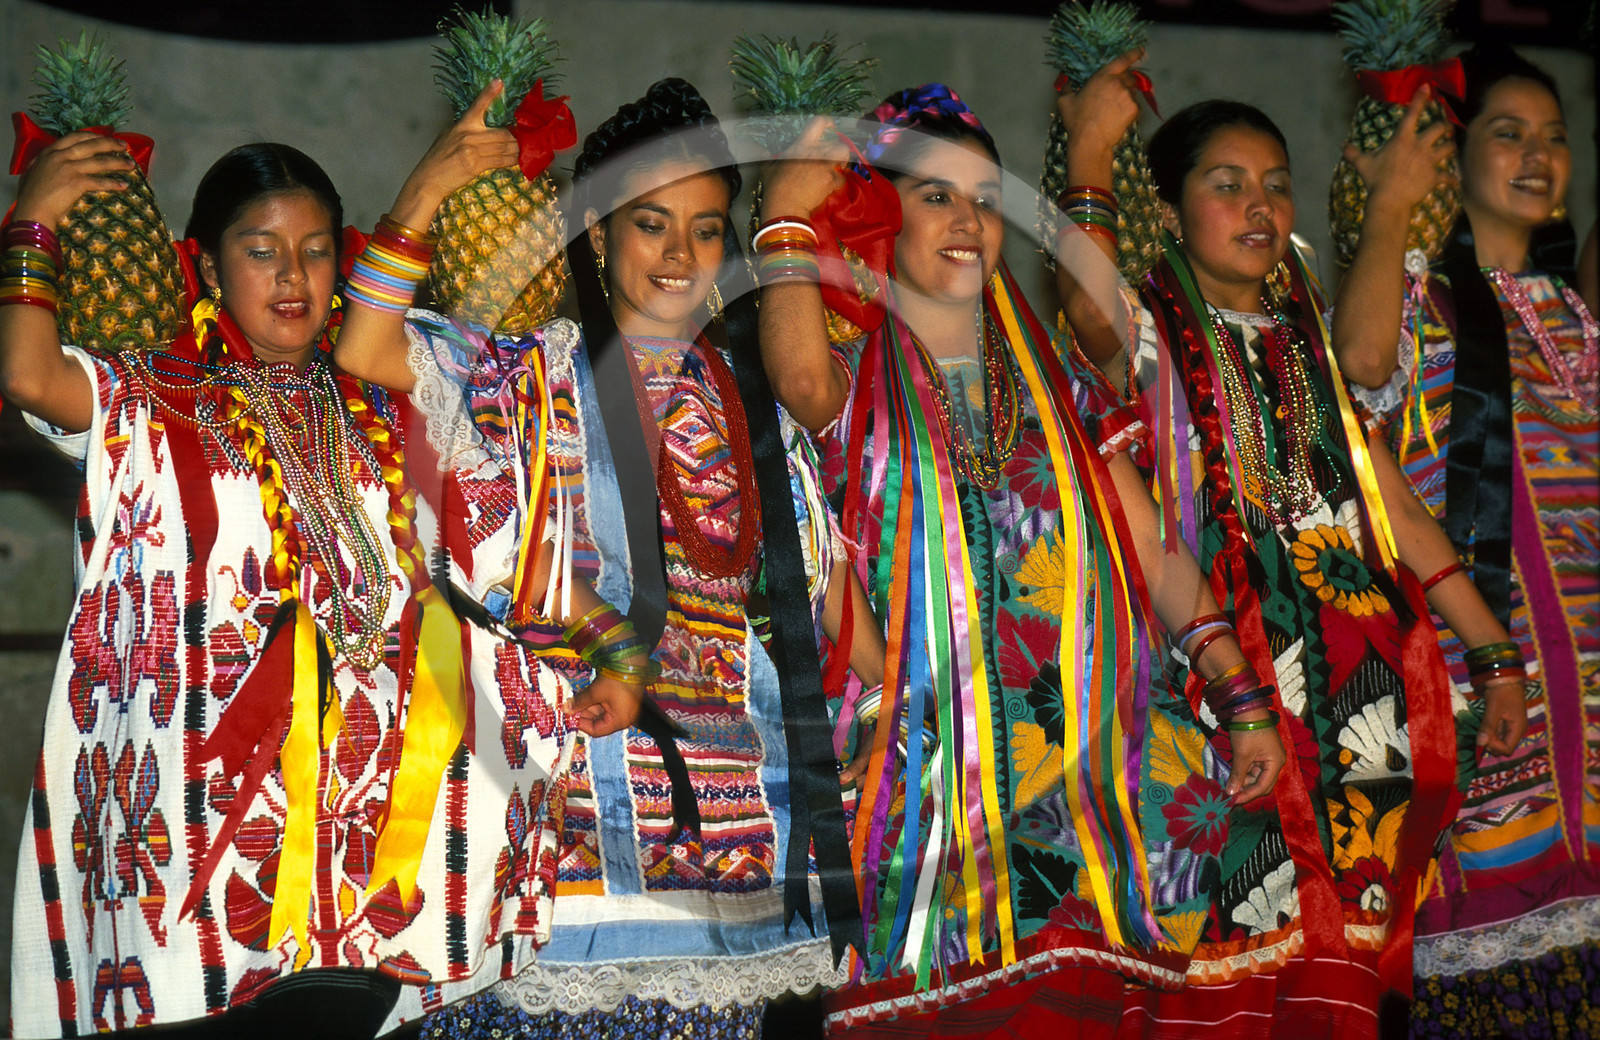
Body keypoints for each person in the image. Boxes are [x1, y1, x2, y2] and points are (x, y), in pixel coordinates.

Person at [2, 85, 576, 1037]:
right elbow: (28, 374)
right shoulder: (156, 399)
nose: (293, 275)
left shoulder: (389, 398)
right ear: (208, 265)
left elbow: (505, 542)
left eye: (315, 250)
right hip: (209, 833)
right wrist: (33, 225)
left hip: (380, 845)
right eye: (261, 250)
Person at [333, 77, 883, 1039]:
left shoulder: (752, 407)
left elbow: (838, 617)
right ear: (597, 235)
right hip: (555, 854)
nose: (678, 254)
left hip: (729, 871)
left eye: (704, 230)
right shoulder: (523, 376)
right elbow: (366, 348)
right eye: (650, 224)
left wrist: (880, 725)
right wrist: (424, 193)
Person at [756, 83, 1287, 1038]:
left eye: (986, 201)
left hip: (1082, 785)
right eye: (935, 197)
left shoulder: (1056, 386)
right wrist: (787, 218)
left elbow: (1152, 548)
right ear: (879, 219)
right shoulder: (853, 378)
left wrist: (1238, 691)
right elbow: (794, 377)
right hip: (930, 781)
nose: (968, 221)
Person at [1054, 62, 1529, 1038]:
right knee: (1230, 944)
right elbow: (1088, 308)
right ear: (1169, 209)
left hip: (1358, 689)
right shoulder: (1142, 331)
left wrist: (1492, 652)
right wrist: (1092, 155)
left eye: (1275, 183)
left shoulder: (1305, 337)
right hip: (1220, 681)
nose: (1259, 204)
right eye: (1226, 184)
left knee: (1343, 962)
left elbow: (1393, 507)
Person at [1333, 43, 1600, 1038]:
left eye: (1554, 138)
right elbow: (1361, 366)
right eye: (1508, 133)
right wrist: (1395, 202)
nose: (1537, 155)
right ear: (1453, 154)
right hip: (1482, 686)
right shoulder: (1415, 303)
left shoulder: (1573, 316)